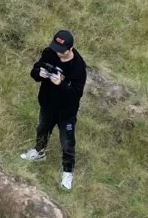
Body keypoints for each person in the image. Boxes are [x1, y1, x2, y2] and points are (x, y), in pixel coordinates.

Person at [19, 29, 86, 191]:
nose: (58, 54)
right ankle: (39, 152)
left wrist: (62, 84)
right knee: (42, 128)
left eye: (62, 52)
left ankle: (68, 172)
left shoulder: (78, 67)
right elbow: (34, 71)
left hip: (66, 112)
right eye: (56, 49)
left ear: (71, 48)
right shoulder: (49, 53)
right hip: (47, 104)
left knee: (67, 142)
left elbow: (77, 94)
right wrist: (39, 73)